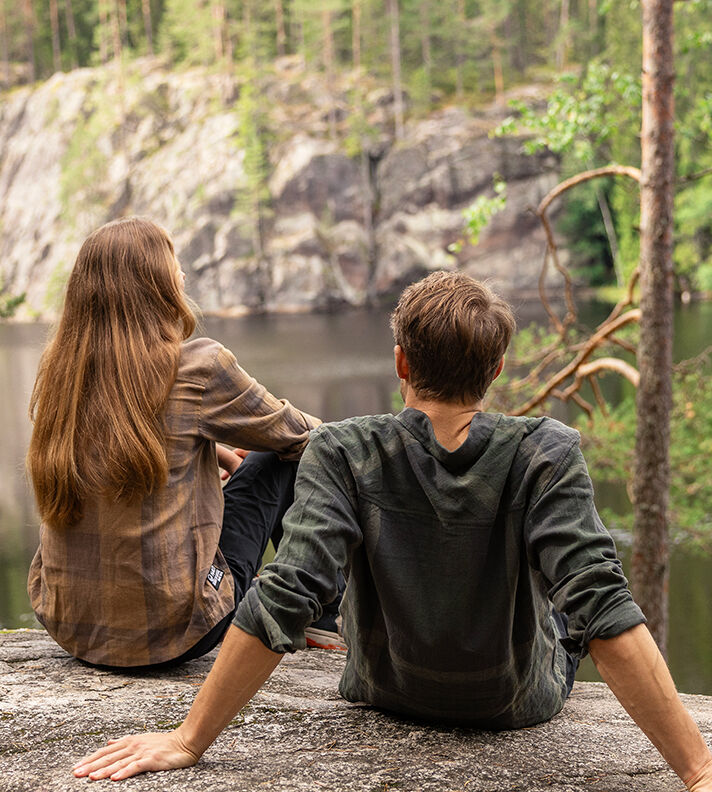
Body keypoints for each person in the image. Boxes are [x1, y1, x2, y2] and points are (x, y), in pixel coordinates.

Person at [72, 271, 712, 789]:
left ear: (401, 362)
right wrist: (699, 769)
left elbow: (288, 591)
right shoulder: (546, 449)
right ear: (493, 371)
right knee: (576, 604)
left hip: (385, 689)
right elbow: (602, 607)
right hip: (516, 703)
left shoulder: (344, 450)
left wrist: (188, 740)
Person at [26, 217, 322, 669]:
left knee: (259, 456)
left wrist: (219, 449)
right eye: (174, 263)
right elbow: (301, 434)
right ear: (155, 284)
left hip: (71, 628)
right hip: (177, 630)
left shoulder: (61, 373)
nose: (183, 275)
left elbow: (130, 439)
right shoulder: (199, 366)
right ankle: (327, 612)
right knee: (284, 457)